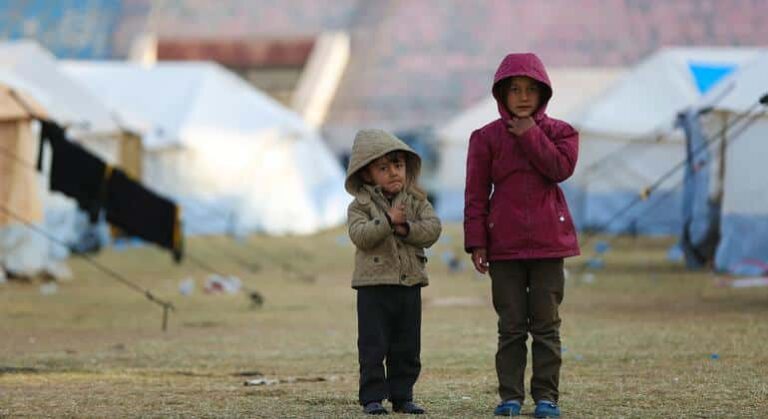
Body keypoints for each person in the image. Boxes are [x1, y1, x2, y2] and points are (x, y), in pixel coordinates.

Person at [464, 53, 580, 418]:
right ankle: (509, 398)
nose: (524, 96)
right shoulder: (485, 138)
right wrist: (477, 241)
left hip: (549, 246)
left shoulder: (561, 133)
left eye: (531, 89)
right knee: (511, 328)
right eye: (515, 89)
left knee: (546, 327)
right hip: (505, 247)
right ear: (501, 93)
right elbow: (476, 194)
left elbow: (559, 168)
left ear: (544, 92)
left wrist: (530, 134)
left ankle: (547, 398)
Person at [345, 129, 442, 415]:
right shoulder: (359, 207)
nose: (393, 173)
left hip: (409, 283)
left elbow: (433, 229)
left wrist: (407, 228)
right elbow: (360, 236)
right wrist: (387, 220)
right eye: (383, 168)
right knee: (373, 346)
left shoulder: (416, 200)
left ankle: (403, 395)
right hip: (373, 286)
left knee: (407, 346)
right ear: (366, 174)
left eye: (397, 165)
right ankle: (372, 397)